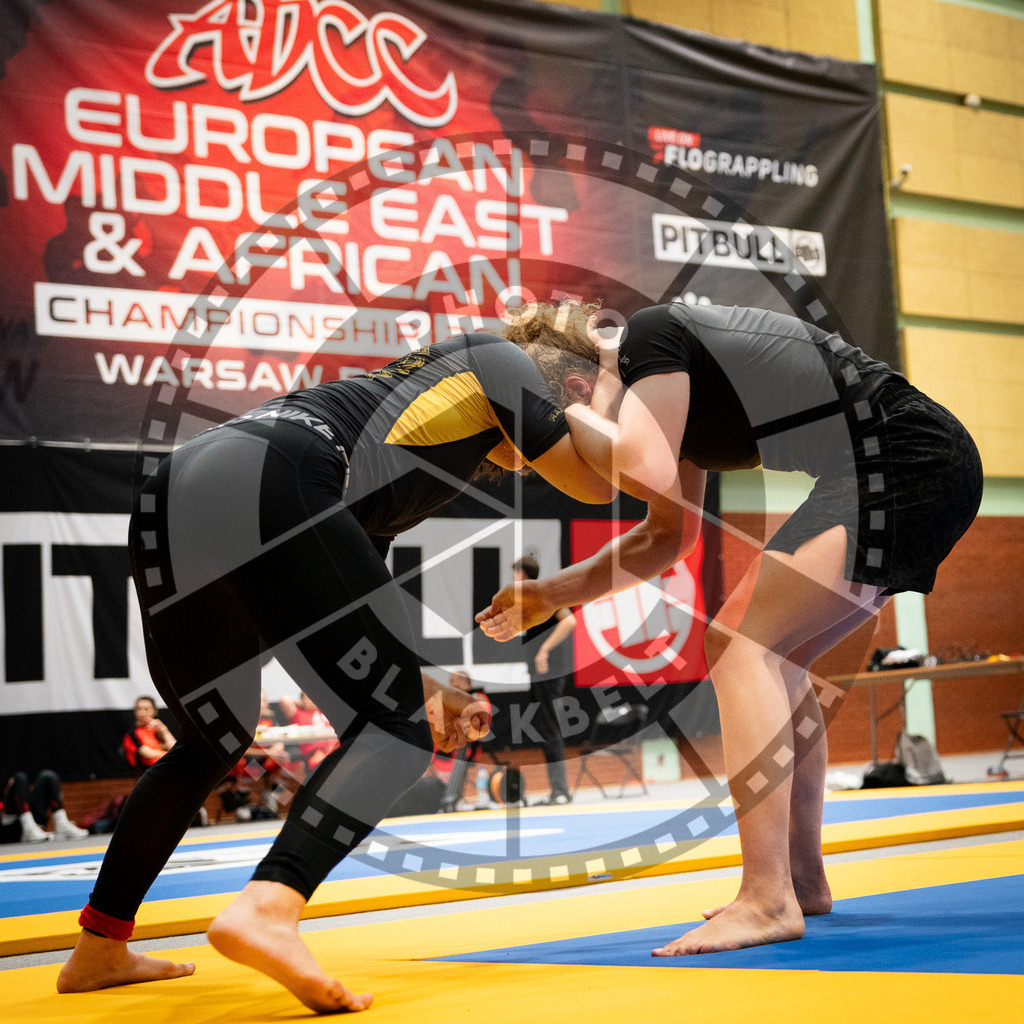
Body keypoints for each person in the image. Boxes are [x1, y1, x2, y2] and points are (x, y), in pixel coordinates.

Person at [57, 325, 612, 1011]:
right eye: (588, 408)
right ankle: (270, 905)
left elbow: (353, 595)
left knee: (211, 740)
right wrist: (607, 394)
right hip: (272, 472)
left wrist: (426, 680)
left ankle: (98, 946)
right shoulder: (499, 358)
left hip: (177, 491)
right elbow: (595, 481)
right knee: (398, 728)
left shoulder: (413, 444)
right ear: (570, 393)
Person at [479, 299, 983, 956]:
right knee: (778, 656)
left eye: (549, 448)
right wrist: (550, 592)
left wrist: (558, 414)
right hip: (907, 462)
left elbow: (635, 464)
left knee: (739, 645)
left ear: (576, 391)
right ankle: (800, 881)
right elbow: (665, 540)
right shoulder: (665, 394)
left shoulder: (650, 339)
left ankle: (766, 897)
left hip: (907, 458)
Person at [511, 555, 574, 804]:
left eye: (515, 574)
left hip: (550, 673)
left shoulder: (544, 594)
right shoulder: (527, 601)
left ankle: (561, 791)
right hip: (537, 675)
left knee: (552, 730)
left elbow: (569, 621)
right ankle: (557, 790)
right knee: (545, 730)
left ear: (523, 575)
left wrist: (545, 649)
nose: (514, 579)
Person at [1, 769, 88, 843]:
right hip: (13, 826)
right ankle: (27, 829)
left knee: (48, 776)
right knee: (19, 777)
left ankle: (61, 824)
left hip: (35, 821)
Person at [122, 696, 176, 769]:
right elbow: (146, 753)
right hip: (148, 771)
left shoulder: (157, 729)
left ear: (154, 711)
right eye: (139, 709)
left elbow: (174, 747)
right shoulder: (132, 733)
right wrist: (171, 756)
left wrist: (164, 730)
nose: (142, 713)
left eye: (146, 709)